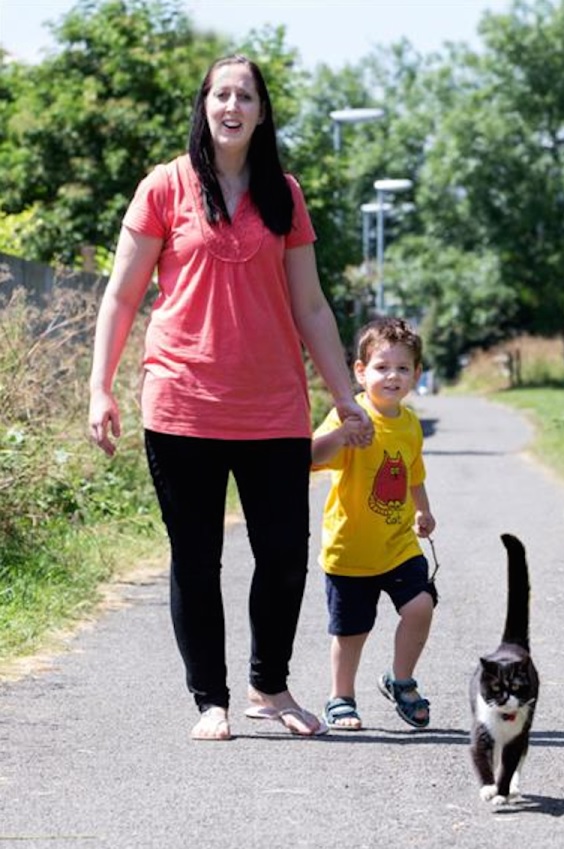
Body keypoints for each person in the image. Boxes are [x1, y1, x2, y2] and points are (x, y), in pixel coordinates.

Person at [88, 54, 372, 741]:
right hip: (183, 401)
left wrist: (345, 393)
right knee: (196, 556)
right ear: (205, 104)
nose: (232, 105)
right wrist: (100, 386)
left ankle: (267, 686)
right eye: (222, 94)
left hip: (273, 406)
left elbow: (309, 304)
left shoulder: (286, 194)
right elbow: (123, 295)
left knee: (282, 553)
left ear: (261, 111)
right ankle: (209, 698)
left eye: (245, 95)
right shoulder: (165, 187)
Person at [312, 317, 438, 731]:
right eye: (382, 367)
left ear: (416, 375)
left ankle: (401, 680)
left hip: (398, 543)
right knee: (352, 632)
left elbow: (412, 473)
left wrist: (423, 509)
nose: (393, 377)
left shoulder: (410, 423)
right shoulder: (348, 415)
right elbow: (312, 457)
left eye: (403, 369)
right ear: (361, 372)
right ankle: (341, 697)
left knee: (420, 606)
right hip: (350, 550)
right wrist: (344, 435)